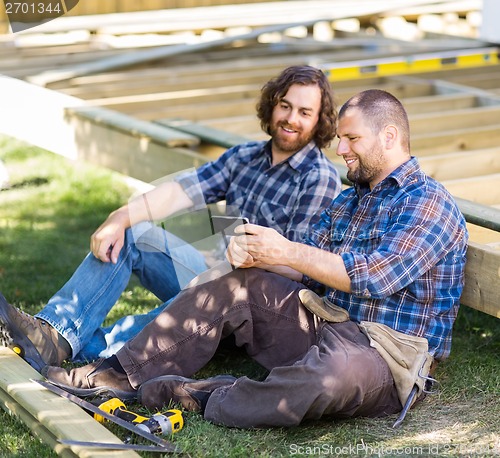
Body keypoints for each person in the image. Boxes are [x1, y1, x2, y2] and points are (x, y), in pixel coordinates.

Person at [34, 89, 468, 429]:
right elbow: (305, 267)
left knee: (330, 377)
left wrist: (285, 249)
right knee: (235, 281)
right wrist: (259, 254)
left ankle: (204, 395)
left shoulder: (428, 203)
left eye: (352, 139)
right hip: (330, 319)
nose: (342, 150)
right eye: (341, 140)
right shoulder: (351, 199)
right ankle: (113, 377)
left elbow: (373, 276)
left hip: (387, 353)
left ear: (389, 136)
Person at [0, 65, 342, 371]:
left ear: (319, 121)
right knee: (134, 232)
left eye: (304, 112)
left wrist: (250, 259)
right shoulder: (245, 157)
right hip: (216, 273)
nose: (291, 118)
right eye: (285, 105)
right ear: (272, 105)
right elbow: (181, 190)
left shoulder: (318, 177)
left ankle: (79, 346)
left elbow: (302, 269)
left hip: (254, 307)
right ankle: (54, 333)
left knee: (189, 300)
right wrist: (119, 217)